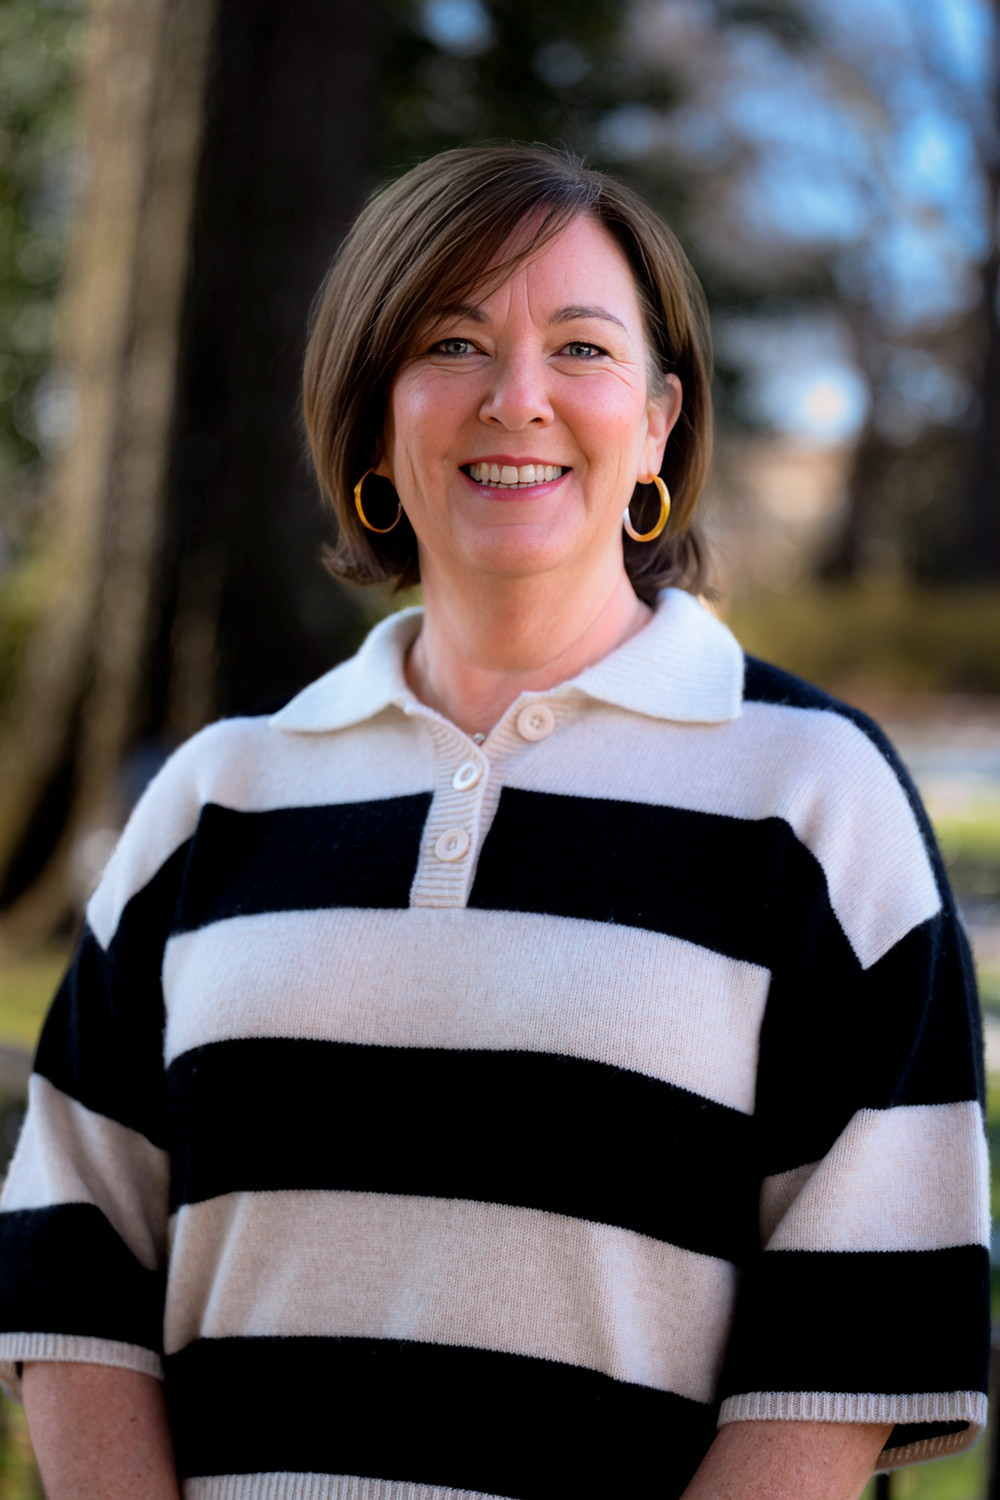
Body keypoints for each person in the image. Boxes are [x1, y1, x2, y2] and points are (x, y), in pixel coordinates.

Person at [0, 145, 988, 1500]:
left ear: (658, 424)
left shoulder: (815, 798)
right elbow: (69, 1255)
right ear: (370, 418)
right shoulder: (213, 798)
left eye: (582, 348)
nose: (517, 398)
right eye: (453, 343)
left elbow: (858, 1329)